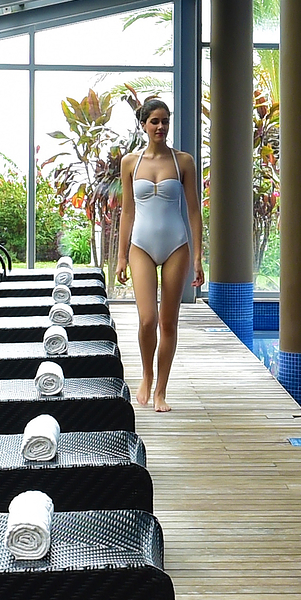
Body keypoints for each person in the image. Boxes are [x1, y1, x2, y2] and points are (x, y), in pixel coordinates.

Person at [116, 97, 204, 412]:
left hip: (176, 246)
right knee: (146, 319)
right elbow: (127, 212)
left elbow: (194, 210)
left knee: (168, 322)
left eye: (165, 121)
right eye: (154, 121)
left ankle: (161, 391)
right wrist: (122, 256)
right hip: (141, 245)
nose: (161, 127)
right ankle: (146, 374)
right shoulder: (130, 162)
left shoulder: (183, 161)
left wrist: (198, 255)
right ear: (143, 124)